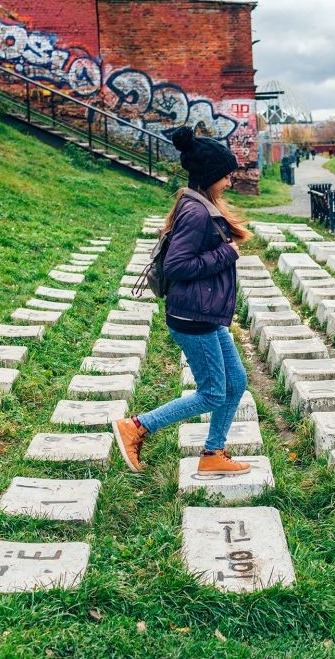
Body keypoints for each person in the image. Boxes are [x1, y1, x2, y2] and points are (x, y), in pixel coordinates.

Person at [113, 126, 254, 475]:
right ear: (209, 177)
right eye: (225, 176)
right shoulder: (197, 213)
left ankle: (213, 454)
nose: (229, 182)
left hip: (204, 314)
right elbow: (178, 264)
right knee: (211, 392)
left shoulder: (199, 205)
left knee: (235, 382)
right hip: (194, 318)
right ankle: (138, 426)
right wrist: (226, 254)